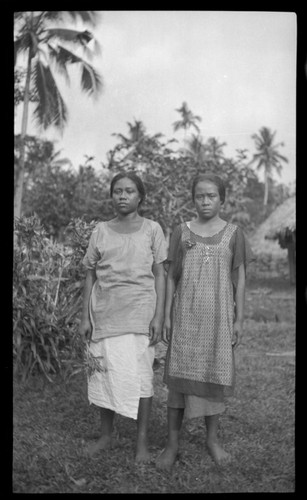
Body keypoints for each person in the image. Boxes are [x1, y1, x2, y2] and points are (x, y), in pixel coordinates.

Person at [156, 173, 254, 469]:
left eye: (211, 196)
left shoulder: (234, 233)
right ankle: (172, 444)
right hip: (186, 316)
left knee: (215, 373)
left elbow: (240, 279)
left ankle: (212, 440)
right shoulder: (180, 232)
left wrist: (238, 320)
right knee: (179, 380)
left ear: (222, 199)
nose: (205, 201)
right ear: (193, 199)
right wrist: (169, 317)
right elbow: (172, 276)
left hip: (219, 317)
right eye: (200, 196)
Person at [79, 172, 167, 463]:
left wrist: (158, 316)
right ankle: (106, 435)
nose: (122, 195)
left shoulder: (152, 229)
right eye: (117, 190)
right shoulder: (101, 231)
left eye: (129, 191)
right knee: (105, 373)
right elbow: (90, 274)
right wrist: (85, 318)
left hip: (141, 313)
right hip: (104, 313)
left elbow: (159, 274)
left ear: (140, 196)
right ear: (111, 195)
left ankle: (141, 443)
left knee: (142, 376)